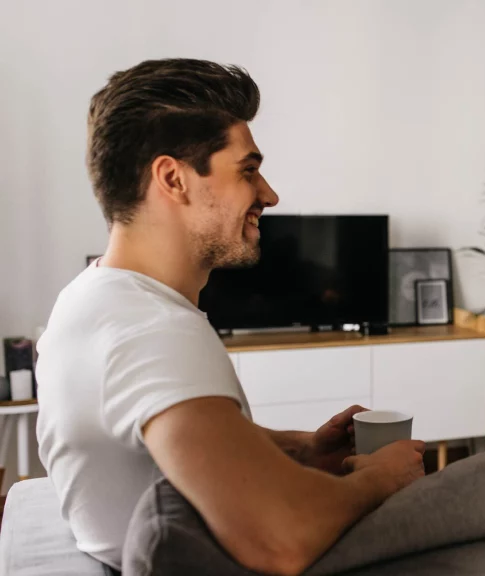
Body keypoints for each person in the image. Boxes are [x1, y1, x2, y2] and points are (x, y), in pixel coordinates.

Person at [35, 59, 426, 576]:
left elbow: (171, 441)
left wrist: (302, 450)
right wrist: (383, 477)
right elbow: (281, 537)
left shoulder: (94, 298)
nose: (269, 194)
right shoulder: (150, 331)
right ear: (173, 178)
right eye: (248, 170)